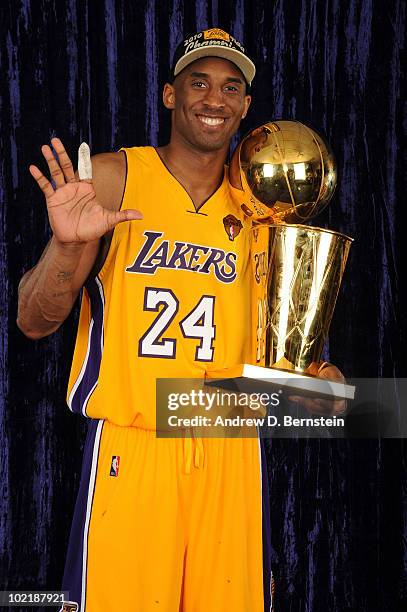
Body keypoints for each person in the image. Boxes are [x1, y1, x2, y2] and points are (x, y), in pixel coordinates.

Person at [17, 28, 344, 612]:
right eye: (198, 82)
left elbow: (286, 373)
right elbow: (34, 322)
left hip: (231, 450)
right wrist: (67, 248)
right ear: (170, 95)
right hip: (135, 446)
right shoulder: (117, 178)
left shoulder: (263, 209)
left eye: (229, 87)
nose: (213, 99)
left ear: (245, 105)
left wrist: (319, 388)